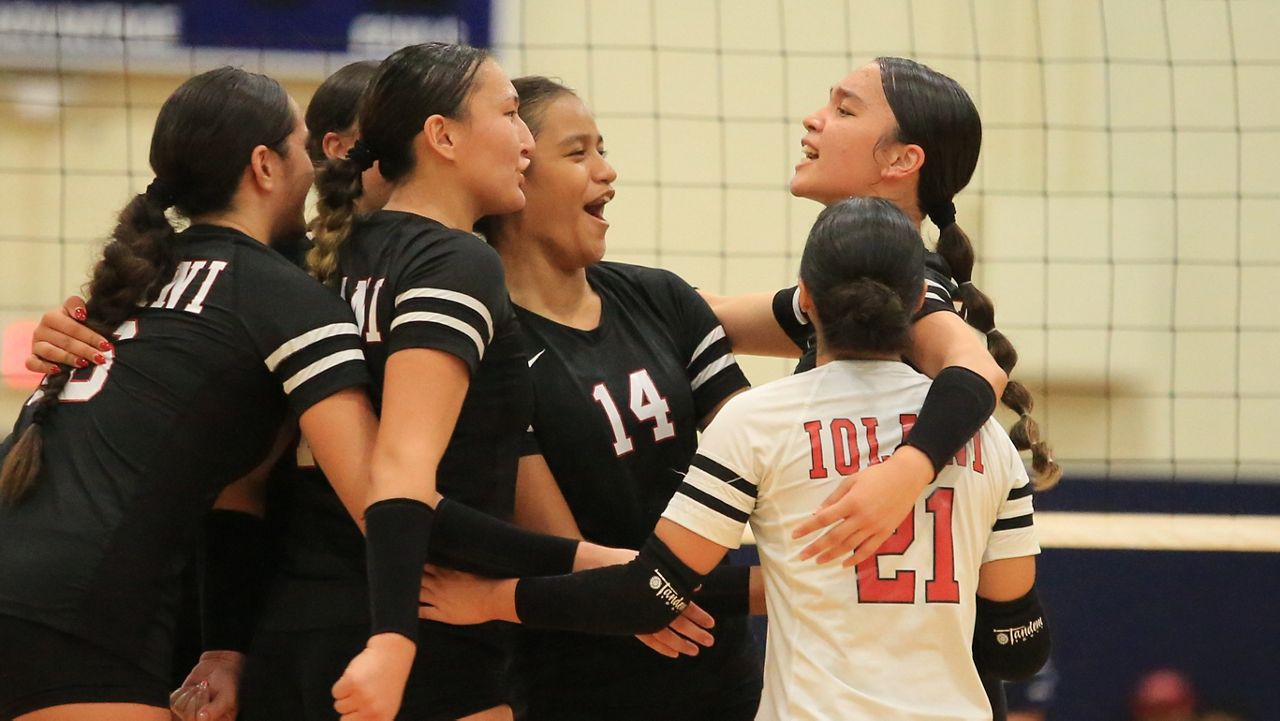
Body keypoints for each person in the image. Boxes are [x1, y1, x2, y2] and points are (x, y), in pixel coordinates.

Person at [420, 197, 1052, 720]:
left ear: (805, 299)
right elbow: (1017, 650)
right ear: (919, 304)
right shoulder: (985, 438)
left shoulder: (760, 422)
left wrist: (491, 599)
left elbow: (650, 597)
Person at [0, 67, 385, 721]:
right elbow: (383, 501)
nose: (318, 170)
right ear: (265, 165)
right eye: (301, 145)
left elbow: (239, 487)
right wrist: (567, 571)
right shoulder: (282, 295)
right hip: (82, 606)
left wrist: (226, 645)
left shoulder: (140, 273)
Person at [703, 57, 1061, 572]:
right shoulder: (857, 291)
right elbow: (710, 315)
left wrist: (905, 472)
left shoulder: (917, 287)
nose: (814, 118)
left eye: (844, 110)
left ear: (900, 161)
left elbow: (981, 368)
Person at [482, 75, 762, 720]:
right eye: (578, 153)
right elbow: (554, 541)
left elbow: (752, 461)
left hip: (720, 669)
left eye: (601, 149)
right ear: (516, 174)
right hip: (577, 678)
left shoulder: (662, 300)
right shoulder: (490, 339)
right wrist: (636, 602)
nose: (607, 172)